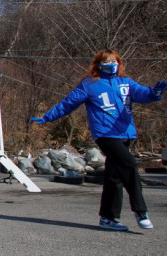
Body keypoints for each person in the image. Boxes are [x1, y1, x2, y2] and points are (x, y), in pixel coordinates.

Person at [31, 49, 166, 231]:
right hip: (105, 134)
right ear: (99, 65)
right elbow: (68, 103)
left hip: (125, 133)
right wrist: (47, 117)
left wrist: (156, 92)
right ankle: (141, 211)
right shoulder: (90, 85)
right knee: (130, 165)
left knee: (114, 177)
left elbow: (143, 94)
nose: (111, 64)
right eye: (107, 61)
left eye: (114, 61)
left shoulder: (125, 82)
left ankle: (108, 218)